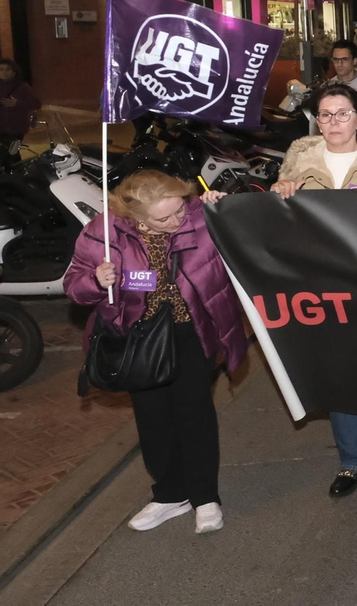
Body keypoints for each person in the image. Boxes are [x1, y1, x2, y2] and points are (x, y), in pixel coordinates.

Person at [64, 171, 244, 534]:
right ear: (136, 218)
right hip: (138, 338)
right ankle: (169, 494)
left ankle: (205, 496)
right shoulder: (104, 232)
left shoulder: (201, 217)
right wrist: (95, 280)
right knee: (153, 419)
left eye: (179, 210)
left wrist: (226, 208)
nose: (177, 221)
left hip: (192, 331)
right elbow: (73, 286)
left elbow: (252, 238)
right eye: (164, 218)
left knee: (194, 415)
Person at [271, 86, 357, 510]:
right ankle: (351, 461)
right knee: (338, 372)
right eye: (325, 114)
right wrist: (280, 193)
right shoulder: (298, 163)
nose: (333, 122)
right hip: (321, 283)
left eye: (342, 113)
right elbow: (280, 226)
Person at [0, 58, 41, 169]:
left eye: (7, 69)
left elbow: (36, 104)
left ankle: (14, 177)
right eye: (1, 69)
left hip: (15, 129)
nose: (4, 72)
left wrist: (17, 104)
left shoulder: (22, 87)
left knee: (10, 155)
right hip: (1, 128)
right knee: (9, 156)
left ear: (13, 72)